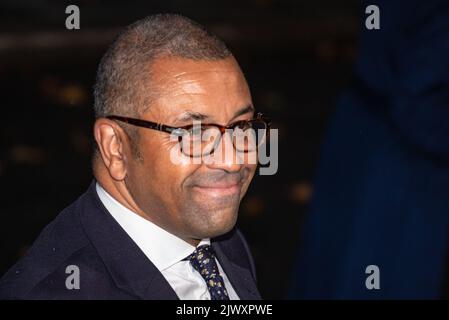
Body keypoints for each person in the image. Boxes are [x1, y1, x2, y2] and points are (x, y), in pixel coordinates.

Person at [0, 14, 268, 300]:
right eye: (194, 133)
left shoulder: (220, 242)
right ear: (115, 147)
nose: (233, 161)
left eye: (241, 127)